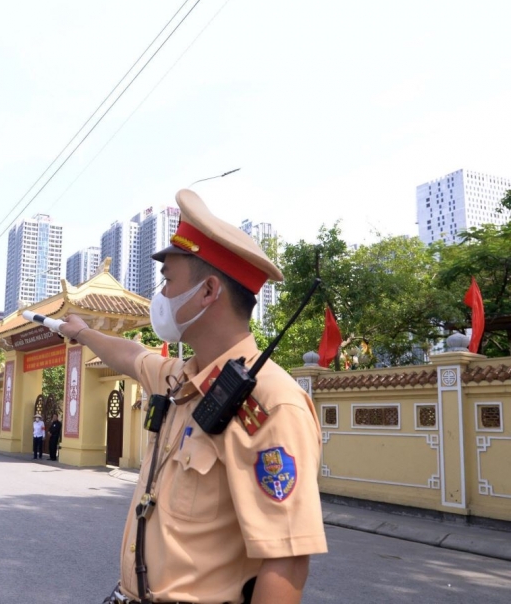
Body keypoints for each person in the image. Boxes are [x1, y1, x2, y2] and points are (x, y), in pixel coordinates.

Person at [57, 189, 326, 604]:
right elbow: (132, 356)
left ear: (208, 291)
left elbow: (286, 562)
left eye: (168, 282)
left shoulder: (270, 403)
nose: (160, 297)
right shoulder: (182, 378)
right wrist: (82, 332)